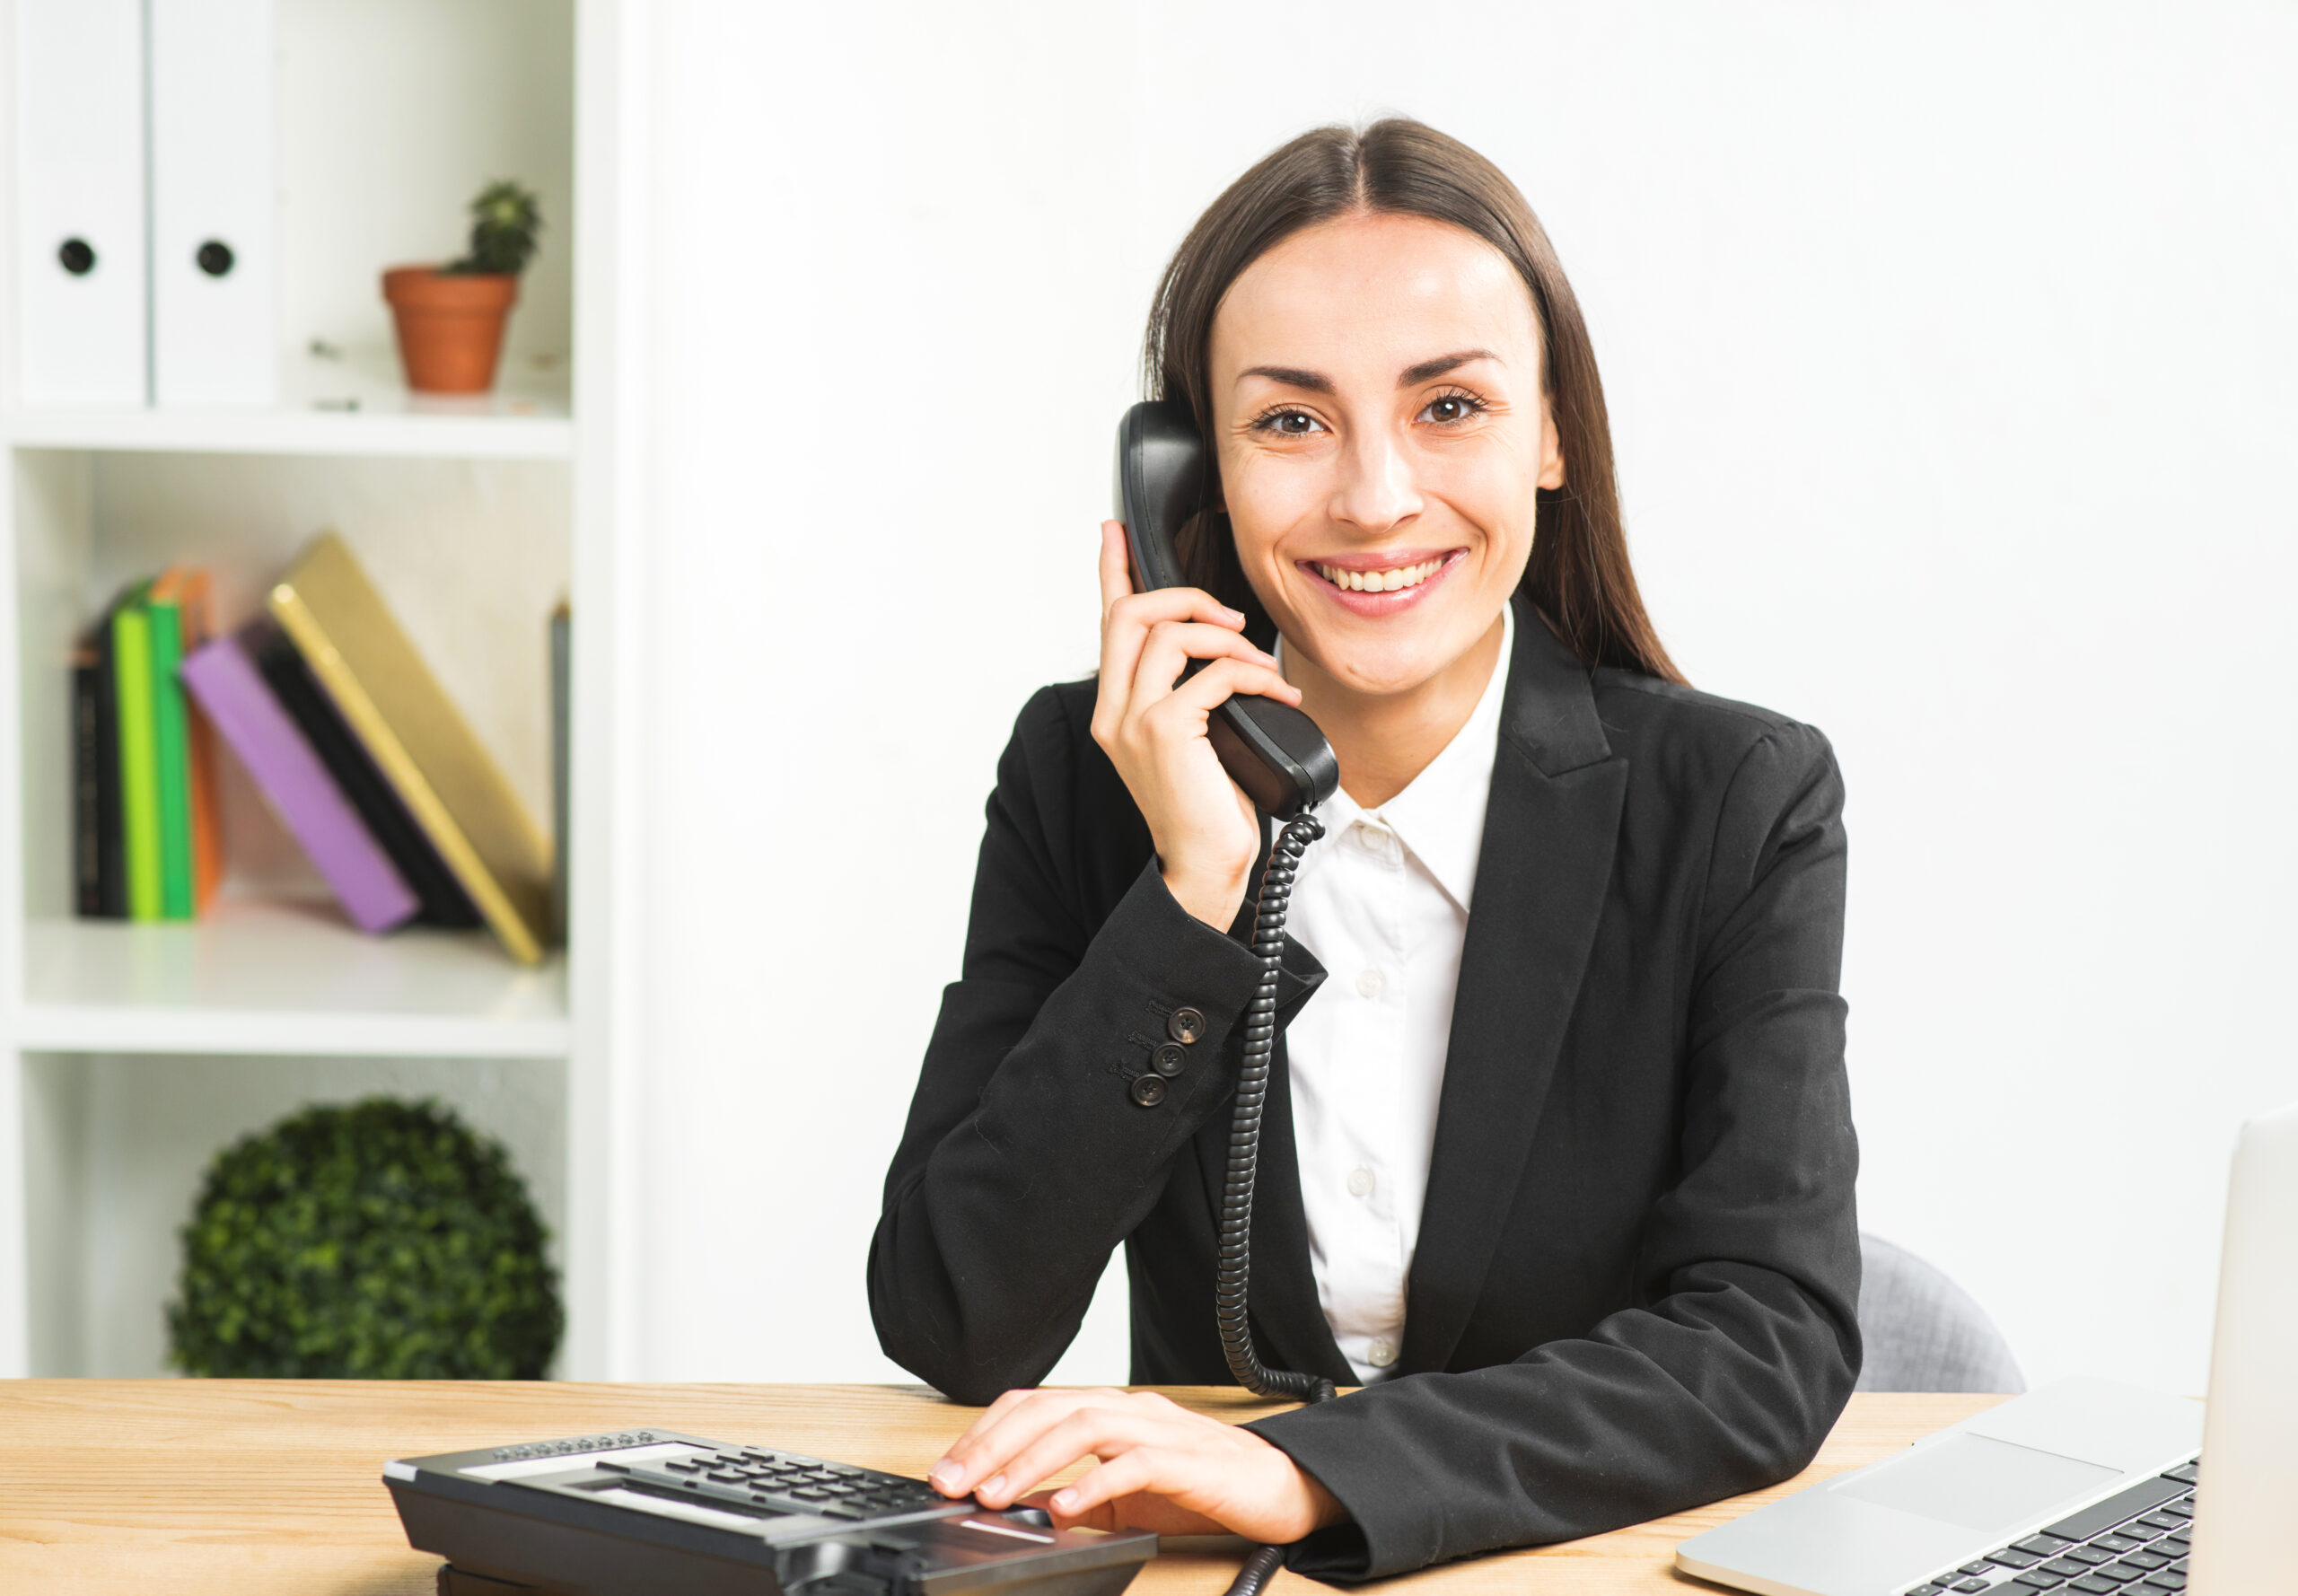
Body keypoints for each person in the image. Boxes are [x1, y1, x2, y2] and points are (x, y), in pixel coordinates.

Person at [867, 118, 1857, 1583]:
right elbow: (956, 1318)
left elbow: (1767, 1340)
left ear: (1552, 433)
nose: (1376, 497)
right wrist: (1195, 884)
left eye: (1449, 406)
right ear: (1185, 476)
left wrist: (1305, 1473)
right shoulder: (1084, 776)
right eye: (1290, 420)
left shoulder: (1736, 798)